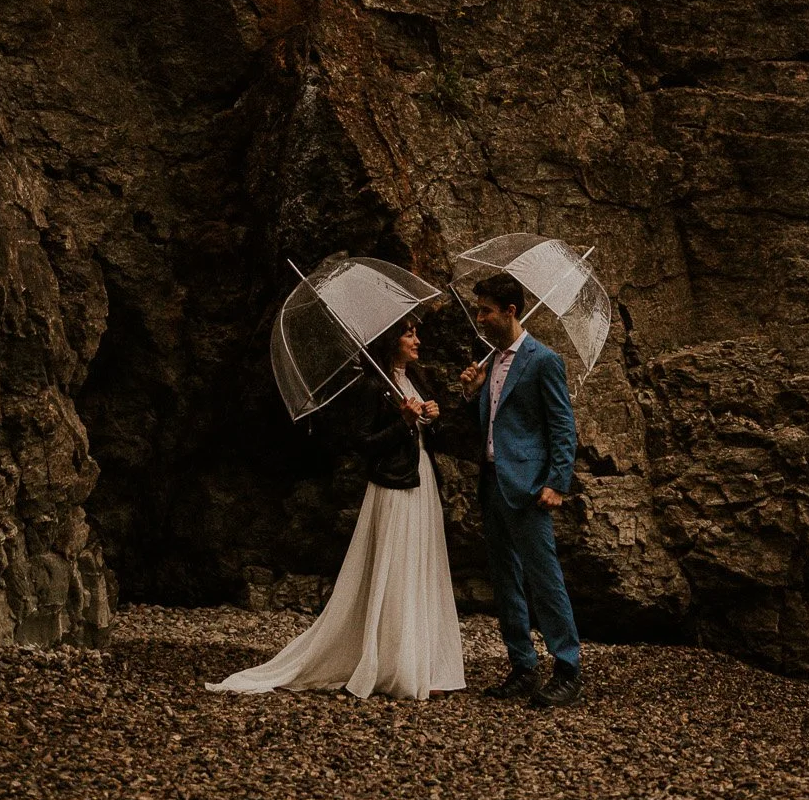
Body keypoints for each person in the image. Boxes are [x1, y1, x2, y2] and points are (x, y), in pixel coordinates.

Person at [206, 315, 465, 701]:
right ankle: (393, 663)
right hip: (393, 485)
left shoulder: (418, 380)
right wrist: (402, 421)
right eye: (409, 333)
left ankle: (425, 663)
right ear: (390, 339)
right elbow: (361, 442)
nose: (417, 340)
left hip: (421, 479)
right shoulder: (372, 387)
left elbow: (430, 439)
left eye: (415, 333)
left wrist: (433, 418)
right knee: (394, 566)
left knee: (421, 563)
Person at [460, 271, 582, 708]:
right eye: (478, 310)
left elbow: (562, 427)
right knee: (505, 579)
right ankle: (522, 665)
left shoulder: (544, 360)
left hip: (530, 488)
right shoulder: (490, 361)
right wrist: (472, 392)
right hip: (492, 483)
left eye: (486, 311)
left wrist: (557, 482)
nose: (480, 318)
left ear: (510, 311)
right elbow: (494, 422)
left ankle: (567, 669)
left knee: (544, 579)